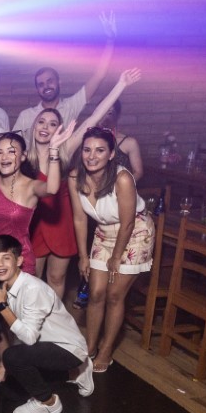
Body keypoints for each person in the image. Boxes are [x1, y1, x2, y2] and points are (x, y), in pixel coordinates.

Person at [28, 69, 142, 300]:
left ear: (59, 131)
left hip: (61, 222)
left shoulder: (65, 150)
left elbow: (94, 118)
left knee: (56, 279)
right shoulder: (23, 157)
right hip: (35, 224)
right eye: (41, 122)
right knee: (31, 280)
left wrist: (121, 84)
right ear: (33, 126)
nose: (45, 127)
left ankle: (53, 320)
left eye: (52, 124)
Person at [68, 127, 154, 373]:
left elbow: (127, 223)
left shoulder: (122, 178)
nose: (92, 156)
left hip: (134, 233)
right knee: (95, 293)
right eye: (87, 150)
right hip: (104, 232)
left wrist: (116, 257)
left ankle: (106, 350)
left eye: (99, 150)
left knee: (115, 295)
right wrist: (82, 256)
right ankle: (90, 346)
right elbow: (79, 219)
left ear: (111, 154)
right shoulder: (74, 177)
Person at [0, 235, 94, 413]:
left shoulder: (32, 289)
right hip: (46, 346)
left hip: (68, 348)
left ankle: (48, 403)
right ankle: (77, 372)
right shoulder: (5, 286)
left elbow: (29, 337)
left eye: (6, 258)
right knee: (16, 376)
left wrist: (2, 306)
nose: (0, 264)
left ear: (19, 260)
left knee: (12, 357)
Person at [0, 129, 73, 275]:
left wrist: (54, 150)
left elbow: (52, 188)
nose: (4, 157)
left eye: (11, 151)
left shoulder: (31, 186)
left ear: (23, 156)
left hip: (18, 260)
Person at [12, 12, 117, 136]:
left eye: (50, 81)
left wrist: (110, 41)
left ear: (59, 82)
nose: (46, 86)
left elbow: (99, 76)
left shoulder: (70, 106)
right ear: (37, 90)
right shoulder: (26, 116)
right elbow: (12, 144)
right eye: (41, 84)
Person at [99, 100, 144, 181]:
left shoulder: (129, 143)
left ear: (117, 115)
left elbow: (138, 172)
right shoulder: (89, 141)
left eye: (109, 113)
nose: (105, 116)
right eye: (102, 112)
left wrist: (122, 186)